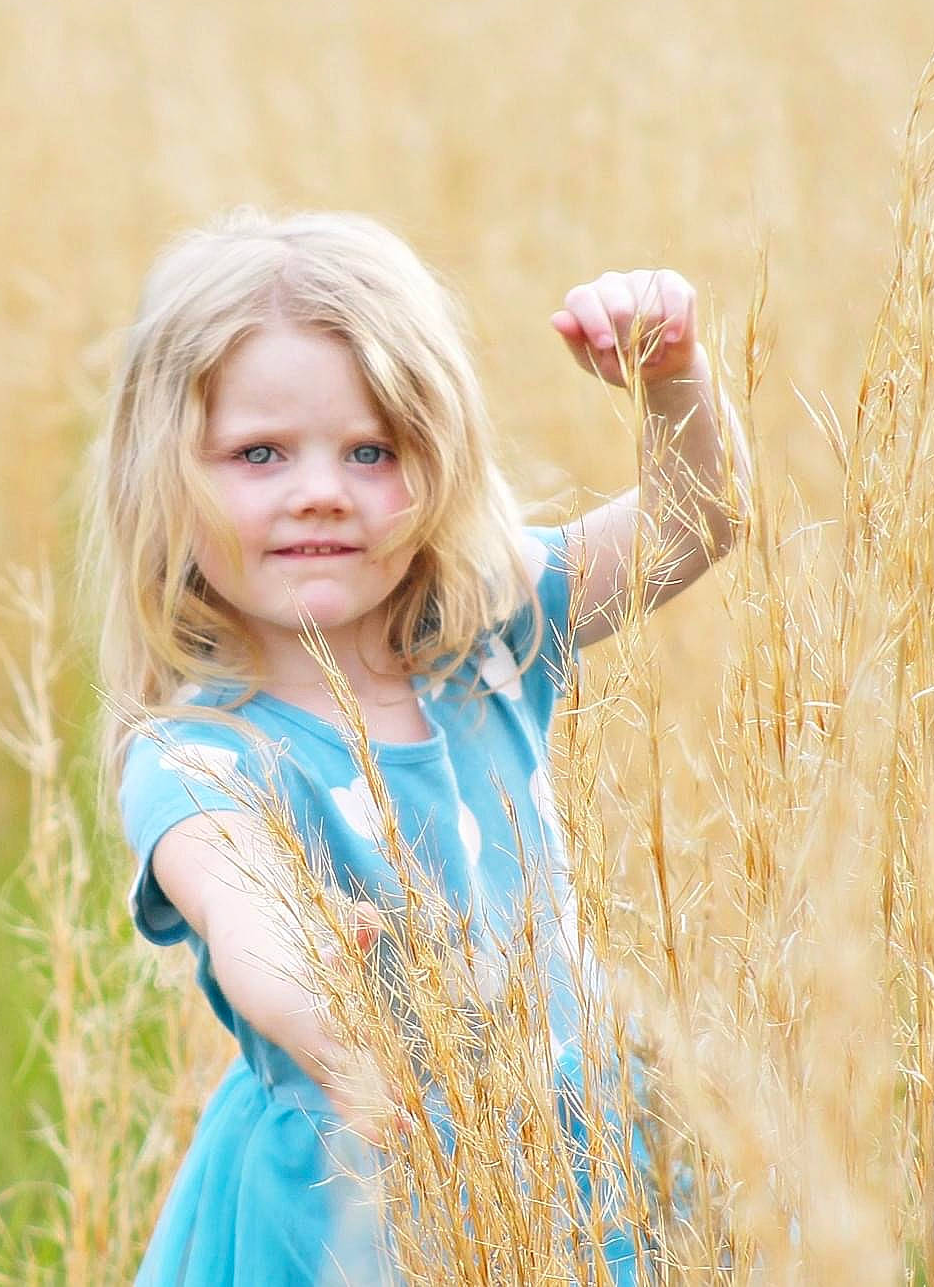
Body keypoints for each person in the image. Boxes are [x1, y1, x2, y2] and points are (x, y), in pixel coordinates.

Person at [79, 207, 749, 1285]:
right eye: (258, 453)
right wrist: (321, 995)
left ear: (435, 459)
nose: (320, 489)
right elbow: (240, 910)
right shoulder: (202, 751)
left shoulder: (485, 632)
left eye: (370, 450)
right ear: (166, 475)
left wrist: (669, 379)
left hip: (571, 1150)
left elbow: (696, 521)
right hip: (354, 1202)